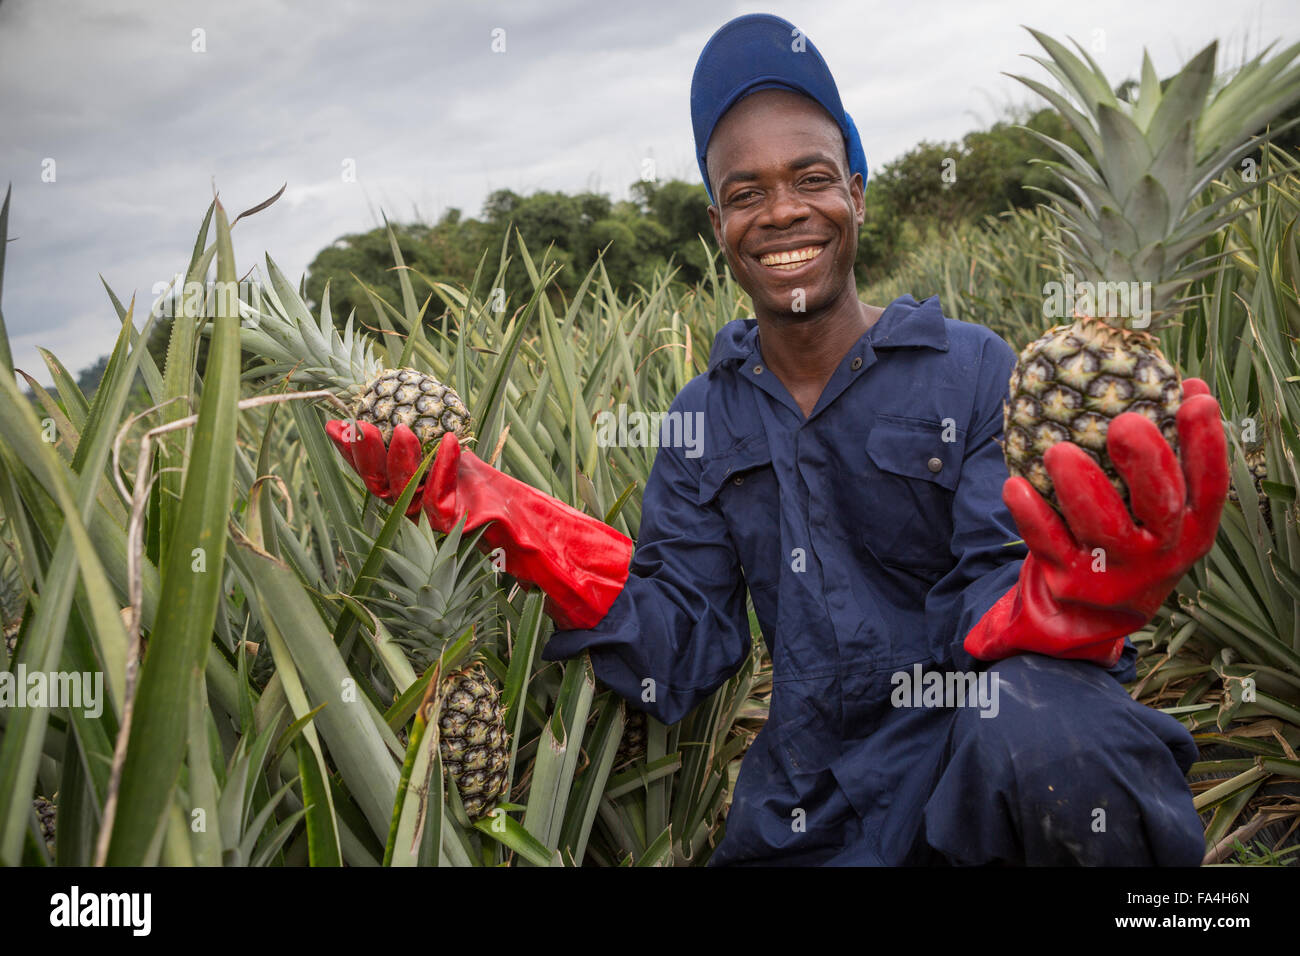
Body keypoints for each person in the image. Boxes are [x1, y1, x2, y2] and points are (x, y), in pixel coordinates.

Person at [326, 13, 1228, 866]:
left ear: (857, 195)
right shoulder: (698, 421)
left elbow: (993, 576)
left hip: (976, 758)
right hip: (810, 802)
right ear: (718, 225)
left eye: (811, 177)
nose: (782, 211)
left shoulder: (974, 369)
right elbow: (679, 653)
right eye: (745, 192)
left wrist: (1055, 599)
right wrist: (516, 523)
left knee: (1051, 731)